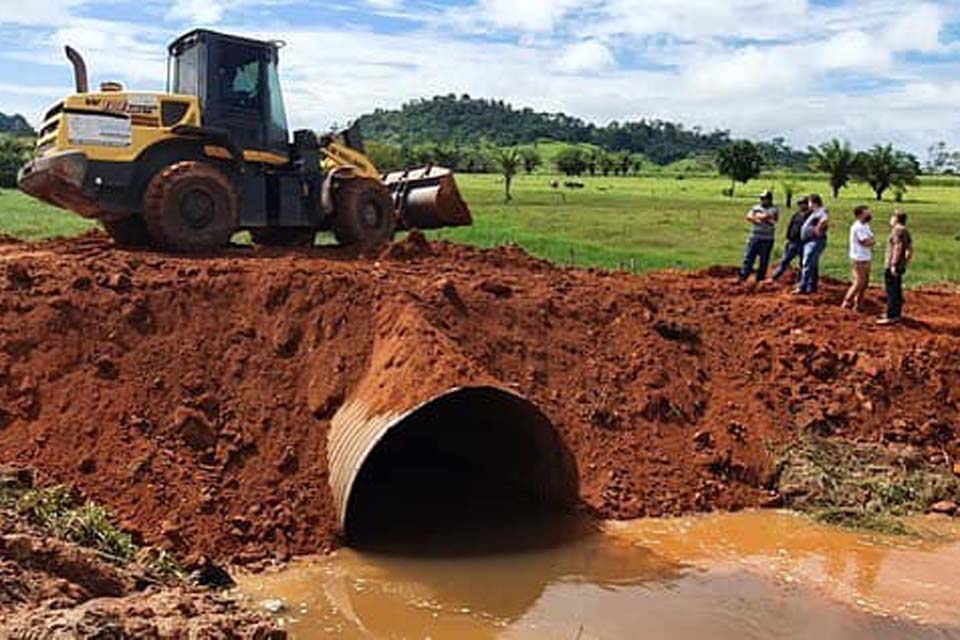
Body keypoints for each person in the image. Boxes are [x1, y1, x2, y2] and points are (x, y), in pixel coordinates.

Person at [877, 209, 914, 325]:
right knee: (897, 290)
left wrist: (893, 264)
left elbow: (898, 247)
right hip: (900, 265)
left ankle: (891, 315)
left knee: (891, 291)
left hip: (892, 265)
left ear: (896, 218)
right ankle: (896, 313)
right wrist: (905, 262)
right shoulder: (905, 231)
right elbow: (910, 249)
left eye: (892, 217)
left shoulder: (897, 231)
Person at [738, 190, 779, 283]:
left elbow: (765, 216)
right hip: (755, 236)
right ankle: (743, 276)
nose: (762, 200)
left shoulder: (773, 209)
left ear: (769, 199)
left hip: (767, 238)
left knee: (763, 260)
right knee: (748, 257)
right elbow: (748, 216)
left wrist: (756, 217)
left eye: (764, 198)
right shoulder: (756, 207)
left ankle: (760, 278)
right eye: (761, 198)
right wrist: (756, 218)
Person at [841, 205, 876, 310]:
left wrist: (871, 241)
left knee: (865, 282)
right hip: (858, 257)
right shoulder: (858, 227)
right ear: (860, 215)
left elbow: (871, 239)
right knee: (859, 281)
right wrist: (872, 242)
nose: (869, 214)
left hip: (866, 256)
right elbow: (865, 241)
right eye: (866, 213)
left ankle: (859, 303)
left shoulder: (865, 226)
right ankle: (847, 301)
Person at [795, 193, 829, 294]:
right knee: (811, 264)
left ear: (813, 203)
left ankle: (802, 287)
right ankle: (811, 287)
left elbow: (825, 220)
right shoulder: (815, 212)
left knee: (807, 263)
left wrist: (817, 230)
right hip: (809, 241)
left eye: (809, 202)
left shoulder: (820, 212)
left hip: (815, 241)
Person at [772, 196, 811, 281]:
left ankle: (801, 281)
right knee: (785, 260)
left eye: (803, 204)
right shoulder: (796, 214)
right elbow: (790, 226)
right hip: (793, 242)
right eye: (800, 204)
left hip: (804, 243)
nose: (801, 206)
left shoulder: (811, 216)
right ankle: (775, 277)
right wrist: (788, 238)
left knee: (803, 263)